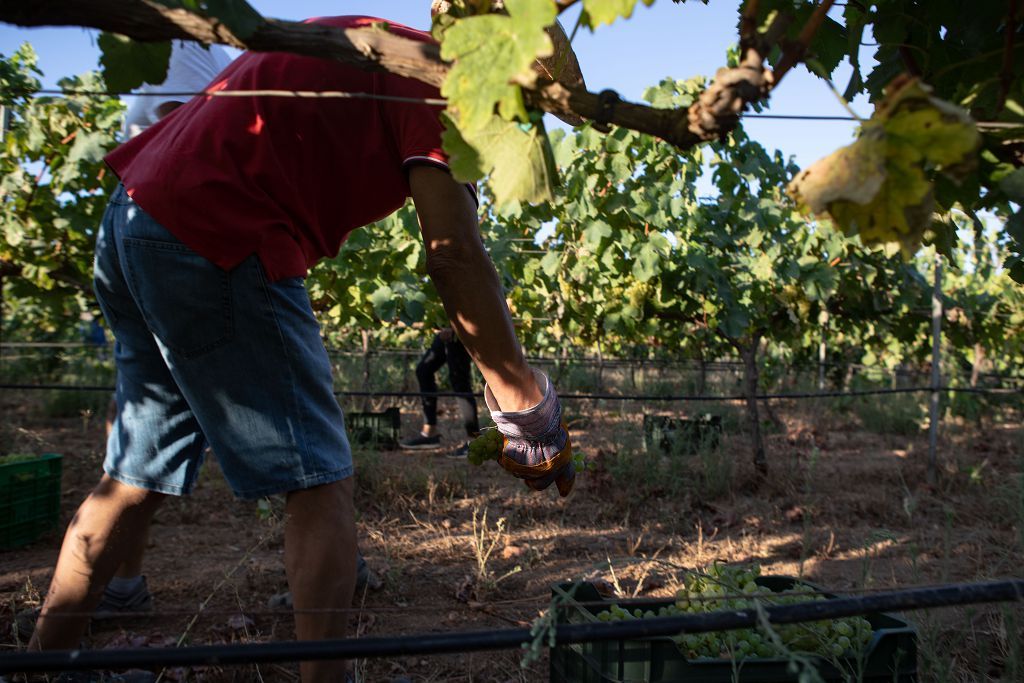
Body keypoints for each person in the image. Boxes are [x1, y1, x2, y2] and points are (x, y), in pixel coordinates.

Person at [28, 12, 580, 683]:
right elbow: (454, 253)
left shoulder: (379, 40)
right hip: (218, 227)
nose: (518, 130)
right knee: (320, 483)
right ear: (509, 79)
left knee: (132, 477)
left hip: (135, 215)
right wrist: (524, 400)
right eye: (529, 111)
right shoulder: (442, 87)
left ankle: (37, 666)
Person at [399, 326, 480, 457]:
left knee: (460, 382)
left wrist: (453, 326)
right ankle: (429, 433)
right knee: (423, 371)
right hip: (447, 328)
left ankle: (474, 442)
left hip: (461, 329)